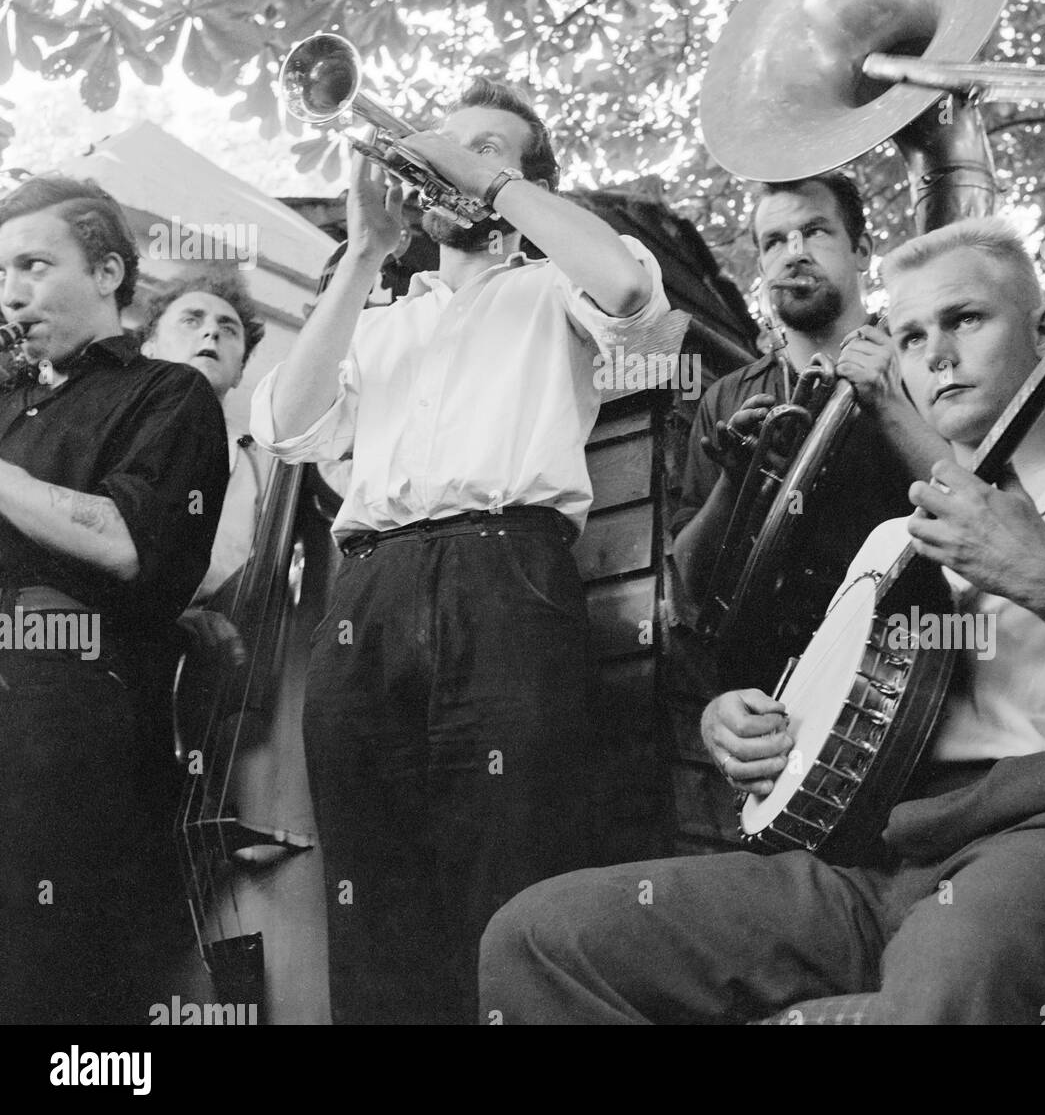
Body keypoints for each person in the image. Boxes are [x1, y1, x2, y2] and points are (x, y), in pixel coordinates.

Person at [479, 218, 1045, 1025]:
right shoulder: (890, 541)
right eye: (908, 337)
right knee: (543, 937)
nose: (935, 353)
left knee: (953, 980)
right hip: (877, 860)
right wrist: (750, 728)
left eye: (964, 319)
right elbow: (825, 713)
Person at [250, 76, 669, 1025]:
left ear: (525, 186)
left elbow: (633, 291)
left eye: (489, 150)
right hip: (368, 592)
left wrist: (490, 180)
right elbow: (286, 426)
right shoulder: (383, 317)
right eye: (447, 147)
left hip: (507, 576)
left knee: (510, 878)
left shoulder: (554, 285)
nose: (453, 162)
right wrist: (364, 252)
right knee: (370, 893)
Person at [0, 175, 228, 1024]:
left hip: (69, 721)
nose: (12, 292)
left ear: (106, 272)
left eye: (33, 264)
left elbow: (123, 540)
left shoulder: (169, 393)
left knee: (49, 981)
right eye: (1, 273)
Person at [671, 172, 948, 685]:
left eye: (815, 232)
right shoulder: (724, 399)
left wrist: (889, 403)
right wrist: (735, 483)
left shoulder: (924, 359)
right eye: (775, 242)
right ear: (761, 266)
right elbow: (689, 587)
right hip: (776, 698)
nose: (793, 254)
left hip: (916, 680)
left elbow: (982, 498)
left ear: (862, 250)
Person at [141, 272, 267, 601]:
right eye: (191, 321)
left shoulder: (259, 459)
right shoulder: (109, 425)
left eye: (228, 329)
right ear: (149, 348)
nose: (211, 332)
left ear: (240, 371)